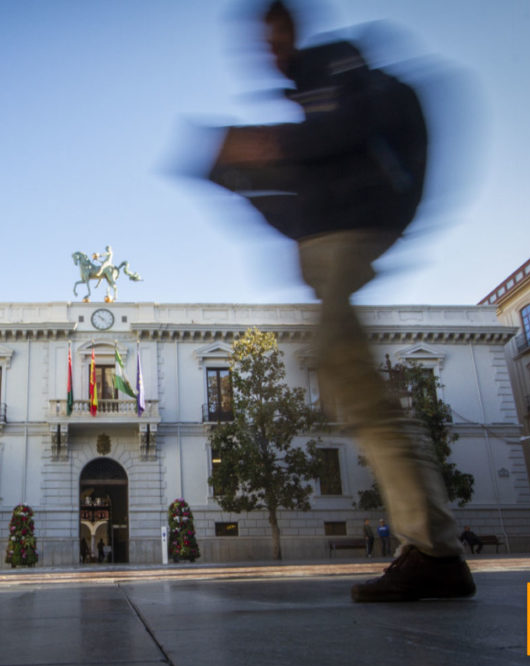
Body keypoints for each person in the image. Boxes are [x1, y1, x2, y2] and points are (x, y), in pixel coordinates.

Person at [206, 1, 474, 602]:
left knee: (350, 377)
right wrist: (238, 176)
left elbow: (340, 139)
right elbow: (298, 200)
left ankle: (434, 550)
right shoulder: (307, 88)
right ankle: (429, 545)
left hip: (353, 231)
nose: (263, 47)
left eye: (270, 31)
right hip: (336, 242)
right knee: (345, 375)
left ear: (289, 26)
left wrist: (264, 150)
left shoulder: (333, 66)